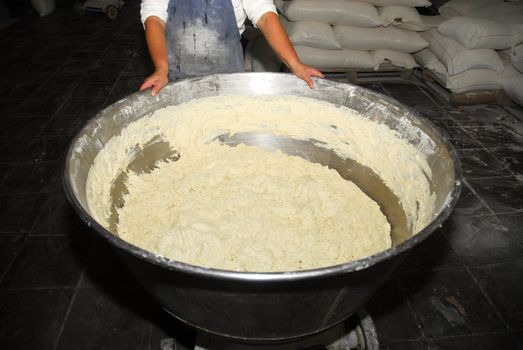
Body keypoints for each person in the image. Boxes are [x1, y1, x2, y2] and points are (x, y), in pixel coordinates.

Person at [139, 0, 324, 96]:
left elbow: (265, 16)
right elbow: (154, 20)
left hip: (228, 78)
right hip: (176, 79)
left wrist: (295, 64)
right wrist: (161, 68)